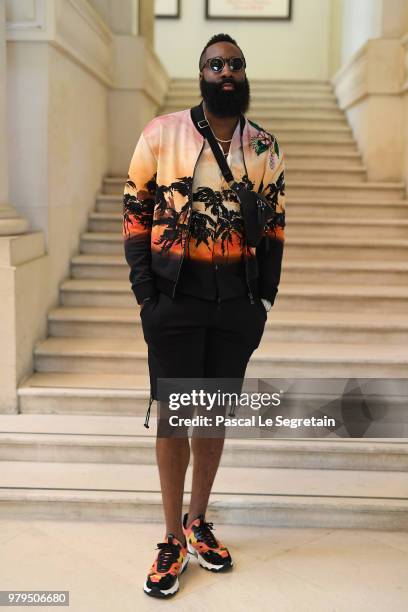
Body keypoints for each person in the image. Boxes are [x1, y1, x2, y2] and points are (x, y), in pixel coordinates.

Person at [123, 33, 286, 599]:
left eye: (235, 64)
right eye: (215, 64)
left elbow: (277, 229)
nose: (226, 72)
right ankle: (170, 536)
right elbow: (135, 211)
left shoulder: (263, 146)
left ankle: (198, 522)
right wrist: (147, 295)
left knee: (211, 413)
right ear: (201, 75)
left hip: (236, 305)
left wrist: (263, 300)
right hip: (175, 299)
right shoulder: (161, 133)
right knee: (174, 416)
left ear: (243, 74)